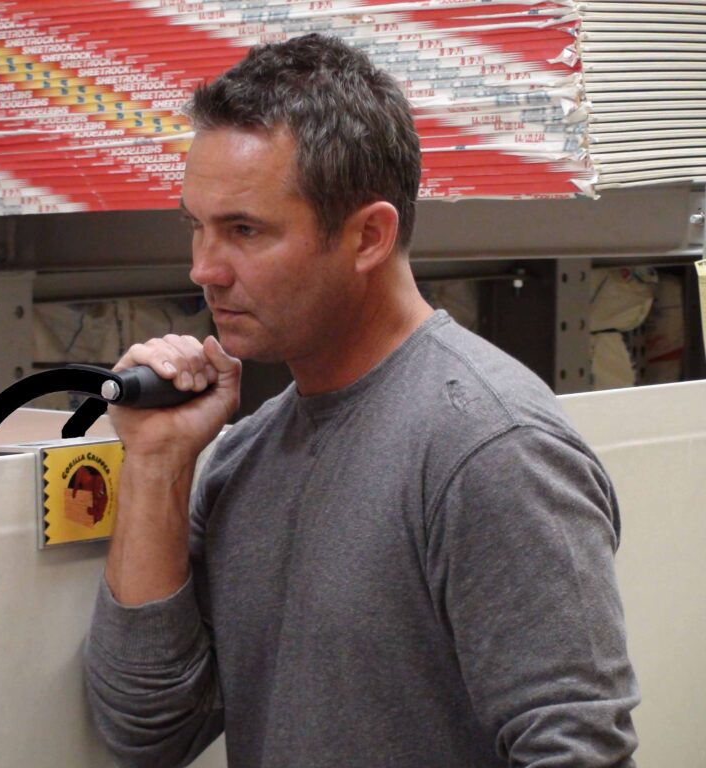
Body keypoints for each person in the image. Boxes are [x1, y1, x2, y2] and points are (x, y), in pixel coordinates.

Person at [84, 33, 639, 768]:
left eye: (245, 230)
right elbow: (146, 730)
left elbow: (580, 753)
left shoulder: (490, 450)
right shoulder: (245, 457)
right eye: (197, 227)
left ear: (369, 236)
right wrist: (157, 466)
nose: (204, 269)